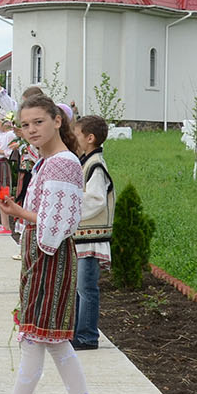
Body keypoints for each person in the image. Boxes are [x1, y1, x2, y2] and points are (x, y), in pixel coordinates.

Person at [0, 95, 100, 394]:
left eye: (38, 123)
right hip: (43, 252)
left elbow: (58, 224)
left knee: (35, 338)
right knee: (52, 340)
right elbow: (52, 217)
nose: (31, 130)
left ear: (57, 121)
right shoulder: (50, 161)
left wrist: (18, 214)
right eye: (25, 125)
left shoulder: (60, 163)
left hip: (49, 255)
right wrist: (18, 211)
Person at [71, 116, 116, 350]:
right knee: (79, 288)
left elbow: (96, 199)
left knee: (87, 288)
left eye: (77, 135)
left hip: (91, 237)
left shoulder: (96, 165)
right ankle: (77, 331)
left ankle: (88, 336)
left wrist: (70, 204)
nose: (74, 139)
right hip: (82, 236)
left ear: (90, 138)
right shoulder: (85, 161)